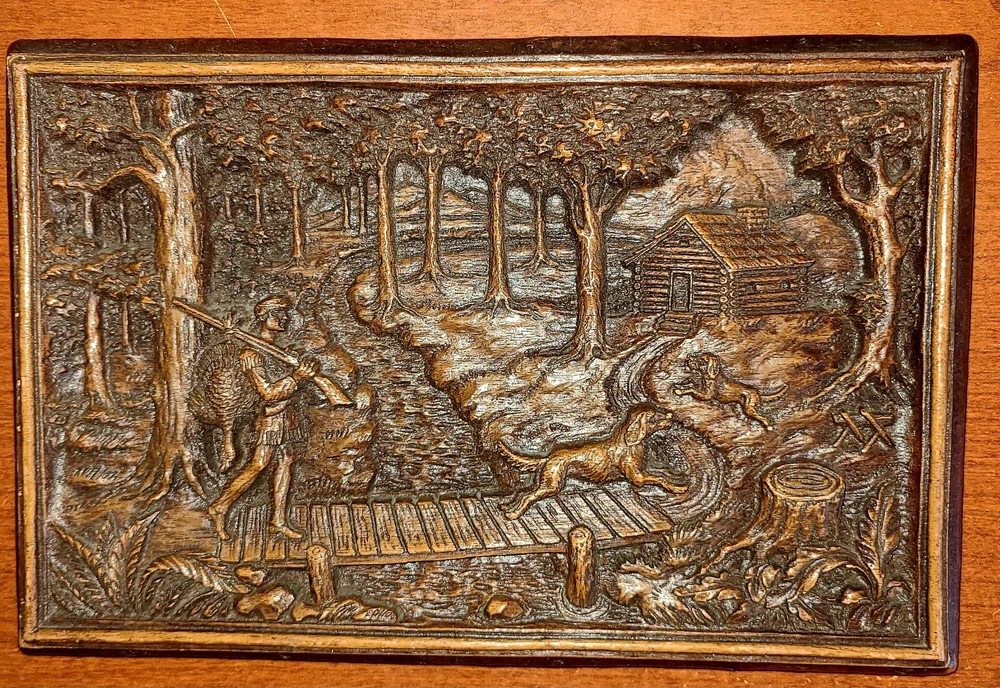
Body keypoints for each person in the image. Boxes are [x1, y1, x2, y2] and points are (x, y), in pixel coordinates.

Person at [207, 295, 317, 541]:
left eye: (284, 314)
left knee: (285, 460)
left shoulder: (279, 351)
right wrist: (297, 378)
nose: (283, 318)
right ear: (264, 318)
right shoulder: (251, 355)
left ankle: (278, 520)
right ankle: (220, 506)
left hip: (288, 415)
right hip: (270, 418)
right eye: (277, 314)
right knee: (258, 464)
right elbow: (267, 393)